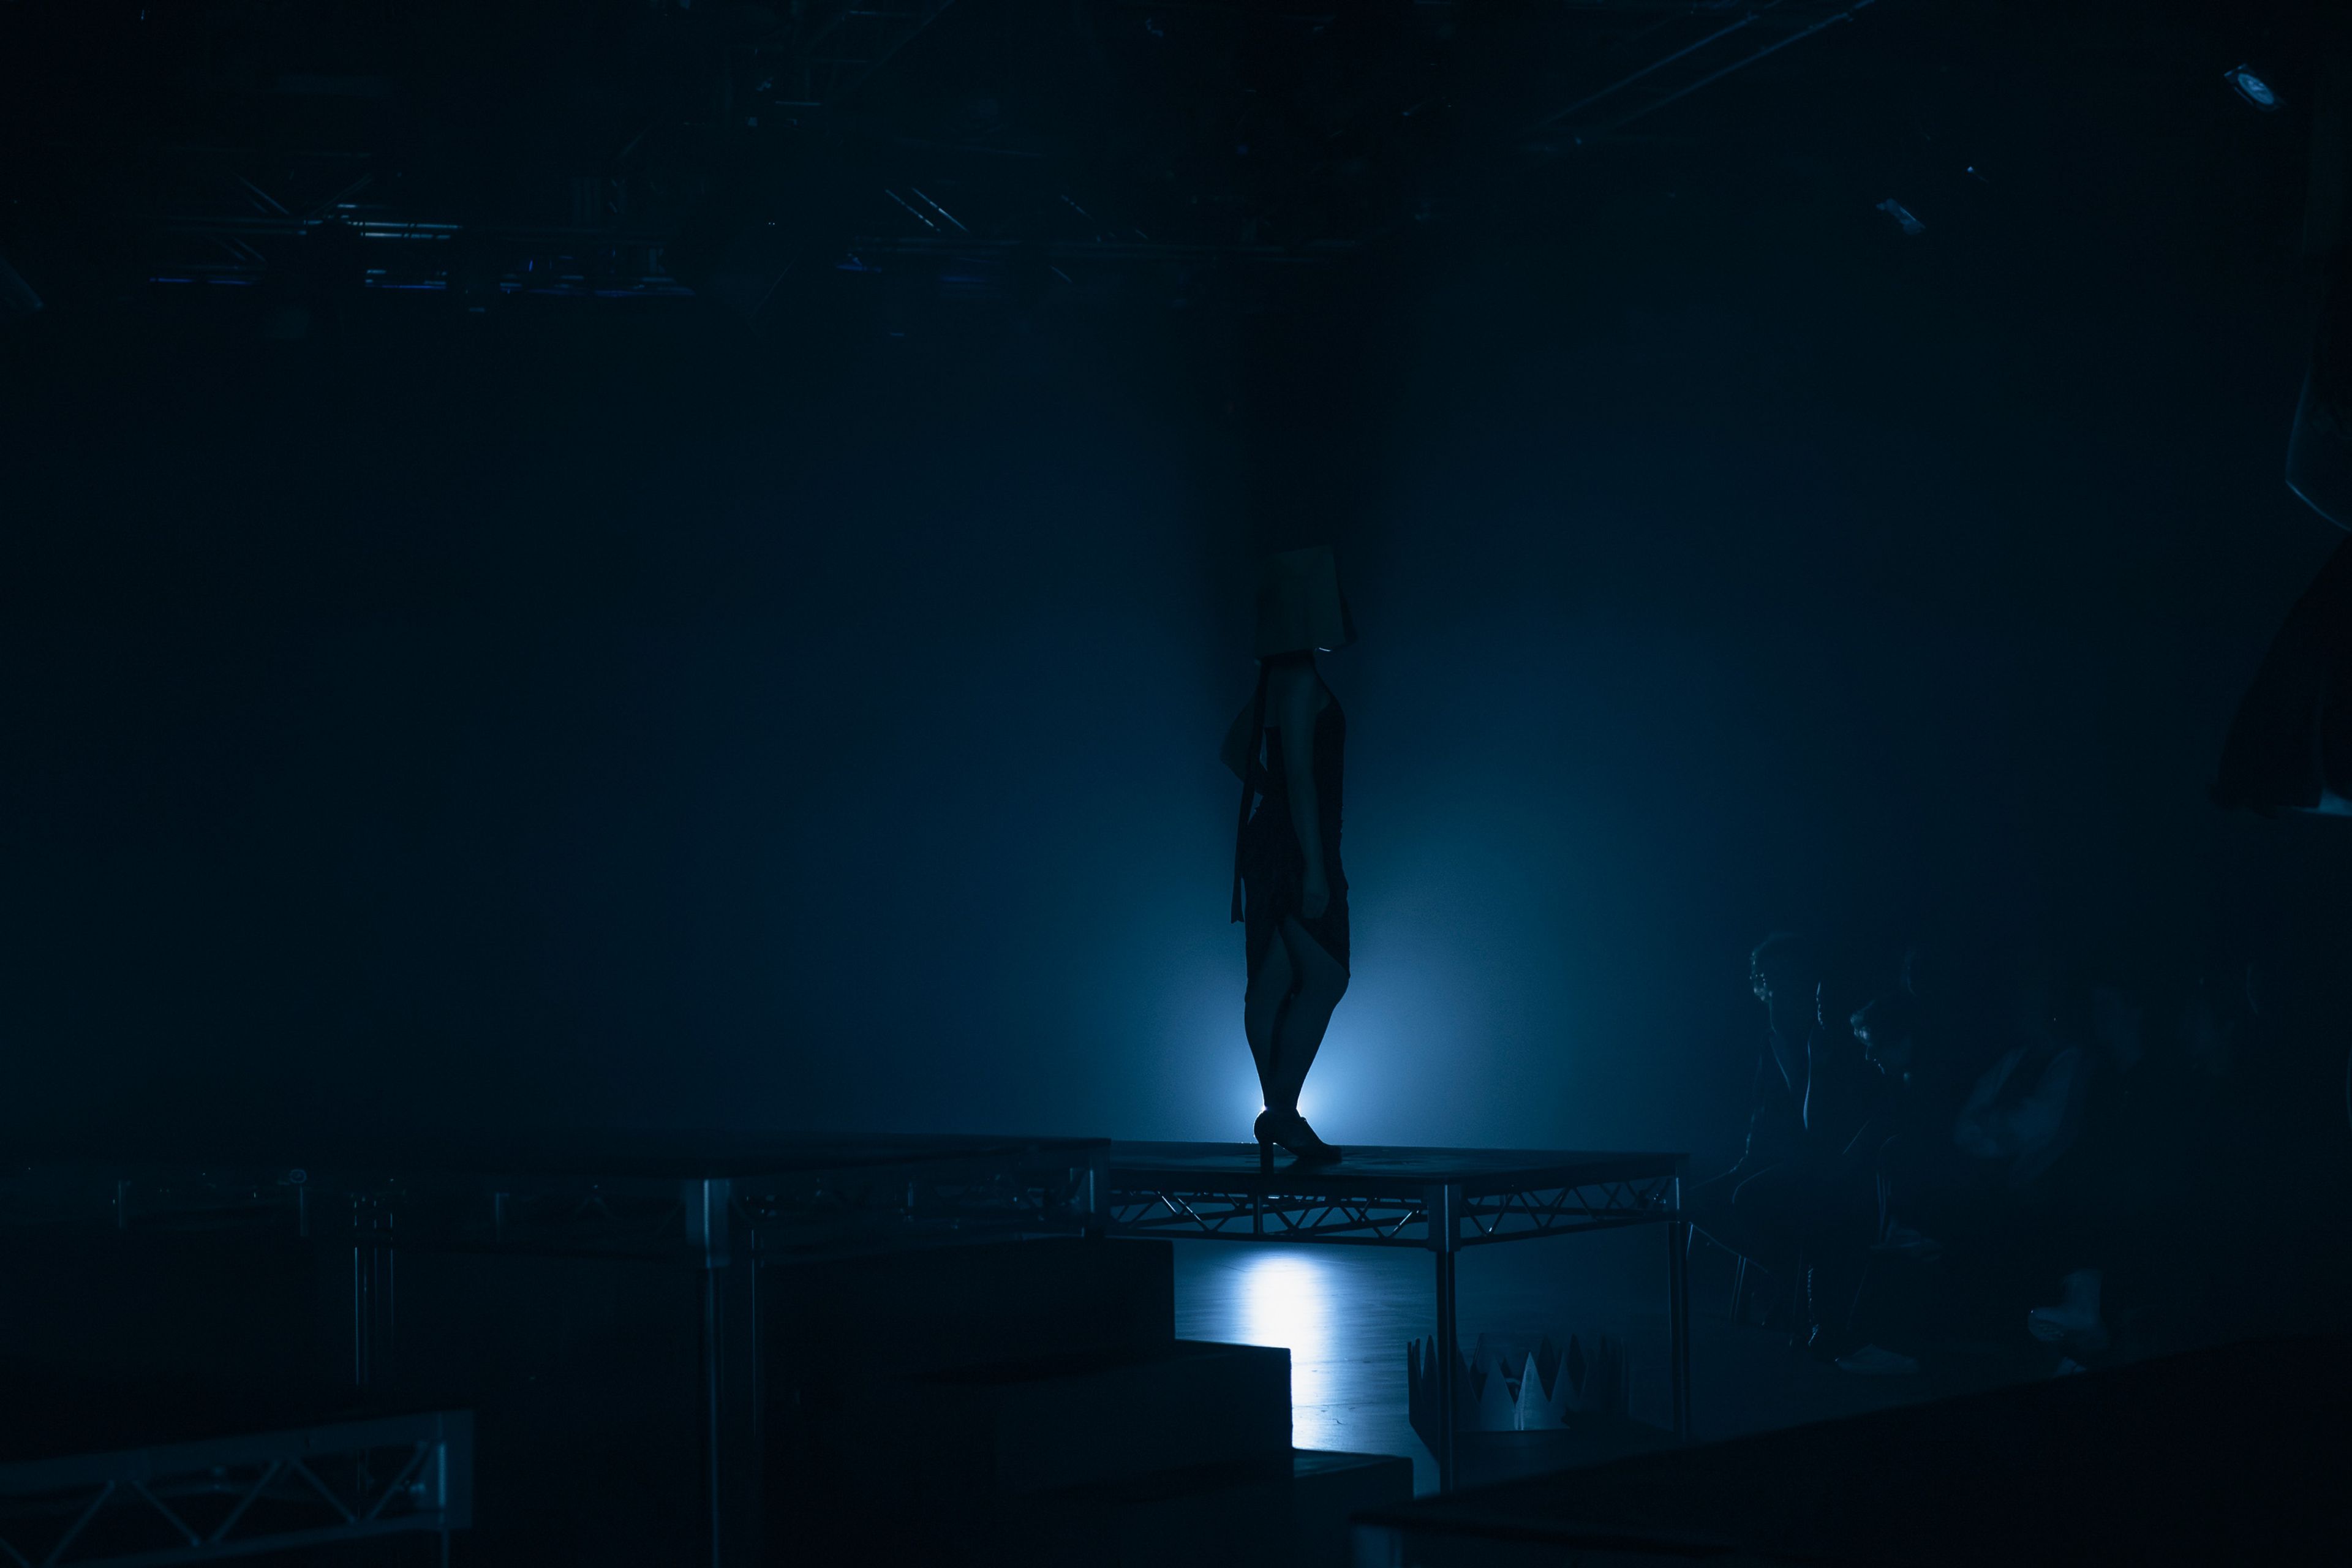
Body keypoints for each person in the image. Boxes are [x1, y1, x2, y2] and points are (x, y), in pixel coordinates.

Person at [1223, 545, 1356, 1163]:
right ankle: (1280, 1113)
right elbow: (1301, 776)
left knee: (1276, 982)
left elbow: (1233, 750)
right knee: (1324, 975)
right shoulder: (1299, 679)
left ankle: (1282, 1116)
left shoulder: (1277, 679)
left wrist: (1271, 796)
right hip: (1296, 840)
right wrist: (1316, 866)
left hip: (1272, 836)